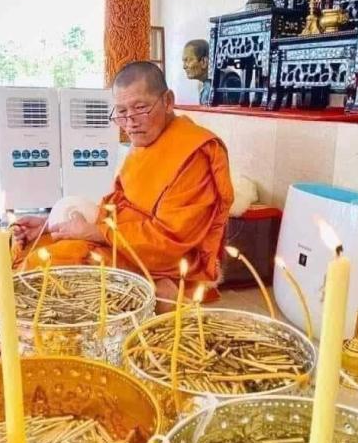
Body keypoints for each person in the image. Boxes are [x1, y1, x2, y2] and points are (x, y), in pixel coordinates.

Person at [14, 61, 233, 302]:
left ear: (168, 101)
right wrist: (52, 226)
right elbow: (118, 203)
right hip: (126, 238)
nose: (130, 122)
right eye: (121, 112)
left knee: (52, 261)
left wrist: (95, 232)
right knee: (30, 243)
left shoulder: (192, 154)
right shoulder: (147, 139)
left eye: (140, 108)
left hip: (164, 258)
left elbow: (171, 241)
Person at [182, 39, 211, 105]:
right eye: (183, 61)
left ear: (204, 62)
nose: (184, 67)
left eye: (187, 60)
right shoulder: (202, 84)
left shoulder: (225, 82)